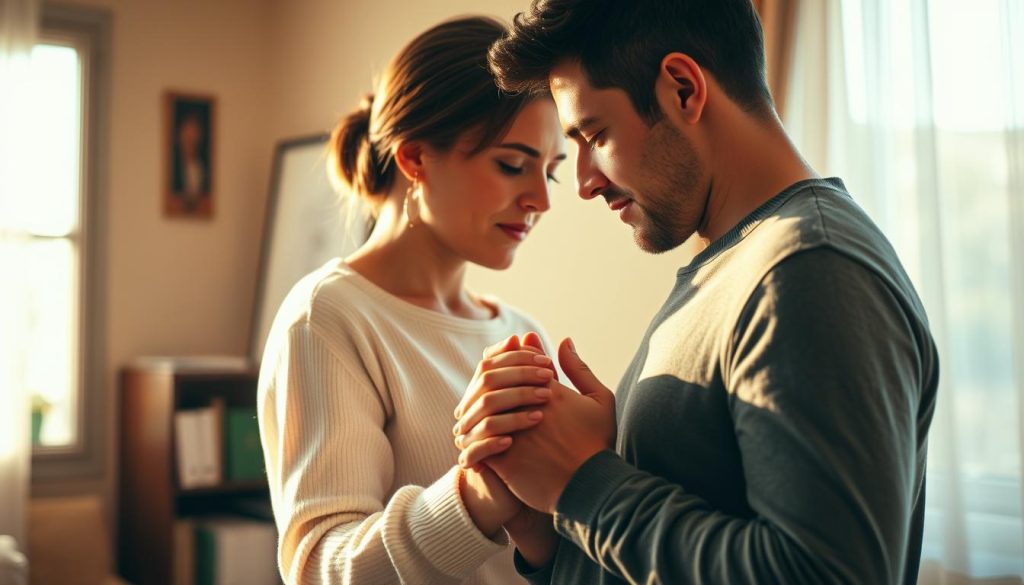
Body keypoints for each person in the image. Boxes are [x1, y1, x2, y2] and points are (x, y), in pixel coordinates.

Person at [452, 1, 940, 584]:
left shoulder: (809, 268)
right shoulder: (733, 267)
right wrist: (549, 529)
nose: (583, 182)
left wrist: (581, 481)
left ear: (682, 89)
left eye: (595, 134)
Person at [256, 16, 566, 584]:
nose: (541, 199)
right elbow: (321, 569)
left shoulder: (522, 334)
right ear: (415, 158)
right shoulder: (327, 319)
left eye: (552, 172)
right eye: (512, 165)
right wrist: (475, 496)